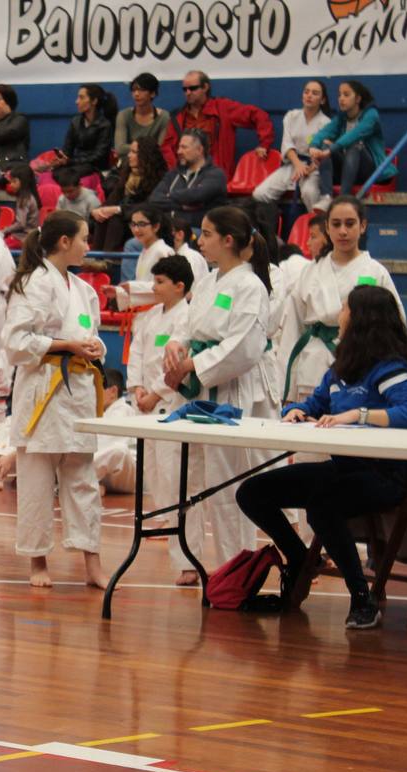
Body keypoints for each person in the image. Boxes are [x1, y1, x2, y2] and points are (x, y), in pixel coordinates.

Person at [236, 285, 407, 629]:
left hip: (385, 477)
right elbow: (314, 405)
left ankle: (361, 599)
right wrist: (295, 412)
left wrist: (360, 415)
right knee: (252, 492)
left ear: (361, 319)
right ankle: (299, 557)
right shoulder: (340, 369)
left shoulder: (390, 367)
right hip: (343, 469)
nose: (338, 316)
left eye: (344, 309)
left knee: (322, 504)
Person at [162, 205, 279, 567]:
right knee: (193, 478)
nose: (201, 240)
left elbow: (244, 346)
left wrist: (194, 363)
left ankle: (236, 567)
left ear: (228, 240)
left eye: (208, 233)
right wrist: (176, 344)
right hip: (198, 387)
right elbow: (191, 325)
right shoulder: (211, 280)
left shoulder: (249, 284)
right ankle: (192, 561)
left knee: (228, 484)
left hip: (228, 390)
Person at [3, 210, 107, 590]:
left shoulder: (83, 289)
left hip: (77, 389)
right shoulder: (32, 283)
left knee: (83, 478)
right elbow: (15, 343)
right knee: (36, 479)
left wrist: (94, 348)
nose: (87, 245)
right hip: (42, 390)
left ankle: (92, 561)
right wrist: (64, 344)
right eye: (84, 238)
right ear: (64, 242)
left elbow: (91, 335)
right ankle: (37, 560)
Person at [280, 195, 403, 405]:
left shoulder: (375, 272)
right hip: (313, 363)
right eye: (336, 224)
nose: (343, 231)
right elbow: (292, 329)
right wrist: (286, 389)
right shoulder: (311, 272)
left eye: (350, 223)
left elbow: (396, 326)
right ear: (327, 228)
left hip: (362, 363)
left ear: (363, 226)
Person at [128, 254, 203, 584]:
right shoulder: (148, 319)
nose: (154, 288)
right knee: (157, 479)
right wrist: (137, 389)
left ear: (179, 286)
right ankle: (174, 543)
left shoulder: (188, 319)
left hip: (173, 404)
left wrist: (156, 393)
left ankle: (188, 560)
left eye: (160, 282)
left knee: (179, 483)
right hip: (147, 406)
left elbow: (180, 363)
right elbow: (136, 355)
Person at [161, 70, 273, 173]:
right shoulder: (178, 117)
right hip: (188, 175)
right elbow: (167, 148)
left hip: (216, 175)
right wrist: (177, 171)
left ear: (205, 87)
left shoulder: (223, 108)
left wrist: (264, 144)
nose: (188, 92)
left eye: (193, 88)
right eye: (185, 89)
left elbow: (258, 115)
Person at [307, 80, 395, 202]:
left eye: (346, 95)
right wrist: (313, 146)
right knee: (324, 144)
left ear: (358, 99)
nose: (341, 99)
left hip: (369, 172)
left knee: (354, 145)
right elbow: (324, 132)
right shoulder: (341, 118)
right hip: (346, 171)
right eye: (339, 95)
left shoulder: (371, 115)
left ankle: (343, 198)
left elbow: (355, 134)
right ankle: (326, 197)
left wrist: (332, 149)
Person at [252, 80, 333, 210]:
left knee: (309, 193)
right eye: (306, 92)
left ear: (322, 100)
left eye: (315, 93)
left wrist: (308, 168)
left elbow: (325, 153)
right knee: (260, 193)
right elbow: (287, 144)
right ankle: (273, 222)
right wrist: (298, 164)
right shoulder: (291, 116)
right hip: (293, 164)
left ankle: (316, 228)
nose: (309, 95)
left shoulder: (326, 123)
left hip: (313, 168)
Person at [90, 139, 168, 253]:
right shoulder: (127, 174)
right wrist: (98, 211)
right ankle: (93, 261)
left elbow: (148, 207)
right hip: (126, 219)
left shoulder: (159, 178)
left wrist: (117, 210)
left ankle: (108, 262)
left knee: (115, 218)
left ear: (145, 156)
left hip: (145, 222)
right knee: (103, 217)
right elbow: (113, 198)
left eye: (133, 152)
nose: (129, 155)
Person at [148, 130, 227, 225]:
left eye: (184, 147)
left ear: (199, 150)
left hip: (197, 230)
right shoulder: (174, 173)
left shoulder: (216, 175)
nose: (178, 151)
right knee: (134, 240)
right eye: (179, 147)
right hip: (168, 229)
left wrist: (170, 195)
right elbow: (154, 199)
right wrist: (181, 206)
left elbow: (197, 195)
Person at [103, 205, 174, 311]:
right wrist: (118, 291)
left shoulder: (163, 251)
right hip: (145, 312)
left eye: (142, 224)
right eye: (133, 224)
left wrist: (130, 287)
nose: (136, 229)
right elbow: (143, 283)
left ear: (156, 227)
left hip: (159, 312)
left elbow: (166, 287)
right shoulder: (145, 251)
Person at [55, 84, 116, 179]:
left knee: (70, 176)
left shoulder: (104, 125)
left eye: (81, 98)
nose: (77, 101)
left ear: (94, 101)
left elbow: (99, 156)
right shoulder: (75, 121)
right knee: (55, 172)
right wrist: (62, 158)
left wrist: (71, 161)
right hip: (76, 164)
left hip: (95, 167)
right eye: (77, 97)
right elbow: (68, 149)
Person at [113, 73, 171, 158]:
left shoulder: (164, 117)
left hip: (153, 164)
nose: (136, 94)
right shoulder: (123, 115)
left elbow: (161, 149)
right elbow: (120, 148)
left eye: (141, 90)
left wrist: (132, 148)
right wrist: (147, 149)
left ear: (153, 93)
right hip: (128, 163)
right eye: (133, 90)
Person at [1, 165, 40, 247]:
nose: (11, 185)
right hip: (28, 237)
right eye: (10, 182)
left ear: (24, 181)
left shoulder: (24, 199)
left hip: (22, 238)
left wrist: (4, 230)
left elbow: (21, 223)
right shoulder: (29, 196)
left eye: (14, 181)